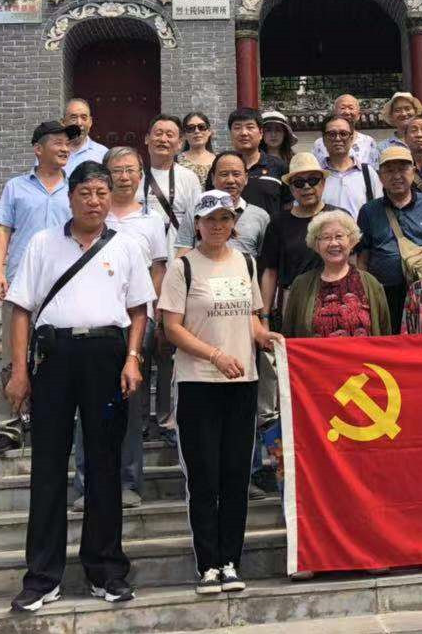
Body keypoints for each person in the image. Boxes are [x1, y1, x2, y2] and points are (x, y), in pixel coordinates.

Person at [4, 161, 154, 611]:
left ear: (112, 197)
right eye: (85, 193)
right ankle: (42, 577)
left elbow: (139, 310)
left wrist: (132, 358)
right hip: (54, 357)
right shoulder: (42, 243)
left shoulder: (125, 245)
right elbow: (21, 309)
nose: (94, 201)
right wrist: (19, 371)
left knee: (104, 464)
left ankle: (106, 570)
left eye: (101, 193)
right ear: (70, 198)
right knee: (48, 465)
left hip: (107, 357)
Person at [158, 191, 279, 596]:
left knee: (235, 476)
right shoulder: (183, 267)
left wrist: (265, 337)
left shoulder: (246, 262)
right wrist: (214, 355)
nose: (217, 226)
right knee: (204, 477)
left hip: (241, 384)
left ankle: (230, 561)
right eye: (210, 219)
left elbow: (251, 318)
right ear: (197, 223)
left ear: (234, 223)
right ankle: (208, 563)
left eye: (225, 219)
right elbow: (172, 328)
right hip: (198, 383)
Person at [71, 147, 168, 510]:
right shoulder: (93, 217)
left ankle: (128, 481)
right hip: (94, 321)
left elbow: (158, 270)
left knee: (129, 403)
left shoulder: (152, 221)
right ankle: (86, 483)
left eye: (131, 170)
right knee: (87, 404)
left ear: (141, 175)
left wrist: (154, 316)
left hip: (136, 322)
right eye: (117, 170)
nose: (124, 177)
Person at [0, 119, 78, 457]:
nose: (64, 147)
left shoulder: (75, 187)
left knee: (61, 354)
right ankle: (9, 425)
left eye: (67, 143)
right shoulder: (16, 187)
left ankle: (54, 419)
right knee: (14, 355)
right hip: (21, 282)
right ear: (38, 149)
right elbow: (3, 230)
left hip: (64, 285)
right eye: (57, 142)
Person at [357, 146, 422, 334]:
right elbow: (363, 257)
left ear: (413, 171)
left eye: (402, 169)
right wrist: (365, 293)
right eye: (389, 170)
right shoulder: (369, 211)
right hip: (384, 293)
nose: (396, 176)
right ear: (380, 176)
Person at [283, 210, 392, 338]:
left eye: (339, 236)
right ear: (317, 245)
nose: (333, 243)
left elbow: (385, 334)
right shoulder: (301, 285)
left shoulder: (371, 283)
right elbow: (289, 335)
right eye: (326, 237)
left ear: (351, 241)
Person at [258, 152, 337, 326]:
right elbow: (270, 272)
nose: (307, 187)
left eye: (313, 180)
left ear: (323, 183)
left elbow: (352, 264)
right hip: (293, 302)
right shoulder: (278, 223)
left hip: (334, 300)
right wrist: (265, 317)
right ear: (291, 189)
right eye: (299, 183)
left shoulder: (338, 217)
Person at [176, 152, 271, 259]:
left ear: (246, 178)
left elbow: (265, 261)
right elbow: (183, 253)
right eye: (224, 174)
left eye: (236, 174)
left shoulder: (261, 216)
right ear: (213, 178)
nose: (230, 180)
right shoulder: (196, 211)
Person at [138, 113, 204, 254]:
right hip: (140, 256)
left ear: (180, 143)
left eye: (169, 135)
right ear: (147, 138)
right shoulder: (134, 176)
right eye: (158, 133)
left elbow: (196, 223)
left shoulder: (189, 178)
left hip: (176, 257)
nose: (163, 139)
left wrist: (181, 261)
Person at [319, 114, 382, 217]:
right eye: (332, 134)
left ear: (351, 138)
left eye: (343, 134)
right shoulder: (317, 174)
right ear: (324, 140)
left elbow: (379, 211)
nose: (338, 138)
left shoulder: (367, 173)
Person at [229, 107, 288, 216]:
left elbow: (288, 206)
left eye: (250, 127)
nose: (244, 133)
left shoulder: (280, 167)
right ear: (230, 133)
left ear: (260, 133)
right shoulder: (222, 166)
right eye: (237, 128)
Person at [312, 94, 377, 166]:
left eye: (351, 108)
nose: (347, 112)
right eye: (342, 108)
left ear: (358, 115)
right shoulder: (320, 144)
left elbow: (375, 169)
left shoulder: (368, 142)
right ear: (334, 113)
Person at [61, 98, 108, 175]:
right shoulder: (51, 153)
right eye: (73, 118)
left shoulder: (102, 154)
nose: (79, 123)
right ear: (63, 122)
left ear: (90, 122)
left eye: (84, 118)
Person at [178, 111, 216, 186]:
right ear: (184, 135)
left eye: (201, 127)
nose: (197, 131)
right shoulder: (175, 161)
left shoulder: (218, 161)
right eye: (190, 128)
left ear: (209, 131)